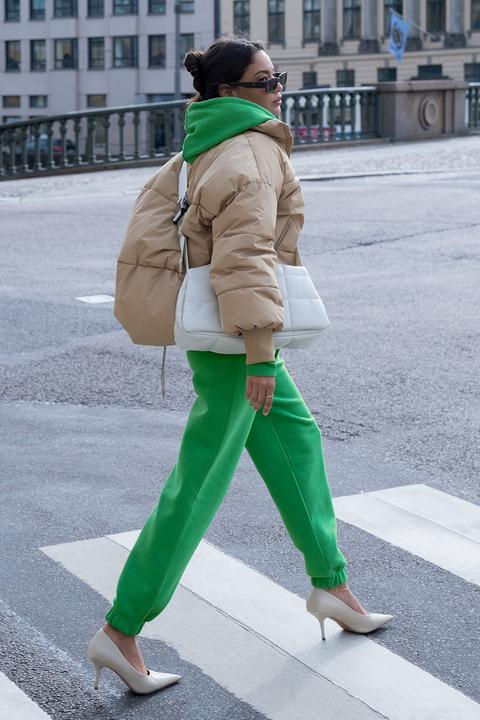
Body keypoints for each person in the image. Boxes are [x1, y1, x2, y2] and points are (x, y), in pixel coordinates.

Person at [87, 35, 393, 695]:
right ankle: (121, 627)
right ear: (231, 93)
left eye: (278, 78)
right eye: (266, 81)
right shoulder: (253, 149)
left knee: (297, 440)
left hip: (226, 336)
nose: (279, 88)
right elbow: (246, 255)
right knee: (197, 485)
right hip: (237, 344)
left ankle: (331, 585)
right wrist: (259, 352)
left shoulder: (203, 145)